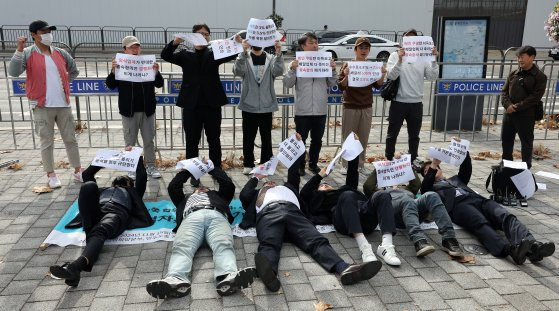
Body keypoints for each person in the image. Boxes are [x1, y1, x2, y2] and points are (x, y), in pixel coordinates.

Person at [239, 147, 382, 292]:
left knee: (316, 241)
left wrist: (297, 146)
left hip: (294, 213)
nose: (270, 182)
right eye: (267, 183)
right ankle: (269, 273)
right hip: (268, 214)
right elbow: (244, 195)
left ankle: (343, 268)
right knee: (269, 243)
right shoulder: (257, 193)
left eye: (272, 182)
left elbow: (293, 174)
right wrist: (257, 177)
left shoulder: (288, 187)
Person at [420, 143, 555, 264]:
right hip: (459, 206)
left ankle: (533, 246)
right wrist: (432, 165)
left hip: (479, 200)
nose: (431, 171)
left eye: (434, 168)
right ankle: (510, 250)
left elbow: (466, 168)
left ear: (441, 169)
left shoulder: (455, 179)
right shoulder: (432, 189)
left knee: (505, 216)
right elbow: (425, 187)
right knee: (480, 223)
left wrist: (461, 149)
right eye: (426, 172)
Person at [146, 164, 256, 298]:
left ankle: (228, 276)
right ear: (193, 192)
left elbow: (227, 184)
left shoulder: (219, 196)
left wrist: (210, 168)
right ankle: (175, 279)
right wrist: (188, 169)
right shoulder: (184, 198)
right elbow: (173, 186)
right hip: (192, 218)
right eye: (198, 188)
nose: (201, 187)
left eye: (206, 187)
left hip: (217, 216)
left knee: (224, 244)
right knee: (182, 247)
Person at [49, 153, 154, 286]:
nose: (121, 178)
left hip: (116, 213)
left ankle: (75, 267)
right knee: (88, 186)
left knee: (100, 230)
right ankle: (85, 253)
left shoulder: (134, 193)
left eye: (126, 179)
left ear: (130, 184)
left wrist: (136, 157)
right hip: (96, 212)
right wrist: (104, 159)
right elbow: (87, 174)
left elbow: (142, 176)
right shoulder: (103, 189)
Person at [161, 24, 241, 185]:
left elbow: (233, 54)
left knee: (214, 139)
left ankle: (216, 172)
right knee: (192, 140)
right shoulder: (184, 54)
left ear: (209, 37)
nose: (203, 36)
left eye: (206, 34)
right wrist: (175, 42)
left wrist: (237, 43)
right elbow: (165, 55)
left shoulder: (215, 53)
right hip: (191, 105)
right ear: (192, 37)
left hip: (212, 104)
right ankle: (193, 173)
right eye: (199, 34)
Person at [8, 20, 82, 188]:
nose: (48, 34)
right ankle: (51, 174)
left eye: (49, 31)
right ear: (34, 35)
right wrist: (19, 50)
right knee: (47, 141)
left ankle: (78, 171)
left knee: (71, 139)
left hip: (63, 104)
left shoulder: (60, 53)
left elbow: (74, 70)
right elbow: (13, 72)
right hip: (42, 106)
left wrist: (64, 83)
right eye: (43, 32)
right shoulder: (27, 53)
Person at [299, 156, 401, 266]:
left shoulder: (344, 189)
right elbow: (304, 194)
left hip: (364, 216)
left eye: (326, 184)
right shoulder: (319, 199)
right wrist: (319, 176)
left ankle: (386, 246)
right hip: (343, 221)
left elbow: (352, 172)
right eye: (321, 186)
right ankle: (364, 248)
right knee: (347, 195)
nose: (324, 185)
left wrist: (354, 151)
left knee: (383, 195)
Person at [363, 153, 463, 258]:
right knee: (407, 200)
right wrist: (380, 168)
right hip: (395, 214)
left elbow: (416, 183)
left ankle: (449, 239)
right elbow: (367, 186)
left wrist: (405, 163)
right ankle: (419, 241)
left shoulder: (407, 188)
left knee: (432, 195)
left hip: (413, 210)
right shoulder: (381, 193)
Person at [106, 36, 164, 180]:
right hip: (128, 111)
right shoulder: (120, 65)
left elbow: (159, 84)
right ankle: (132, 167)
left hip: (147, 110)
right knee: (130, 141)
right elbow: (110, 84)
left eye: (137, 47)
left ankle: (151, 165)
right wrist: (113, 71)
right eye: (132, 47)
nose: (135, 49)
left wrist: (156, 71)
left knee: (149, 140)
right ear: (124, 50)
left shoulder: (147, 63)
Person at [283, 32, 337, 176]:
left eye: (316, 43)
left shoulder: (325, 61)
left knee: (317, 140)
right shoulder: (295, 62)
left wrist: (333, 70)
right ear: (303, 45)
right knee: (301, 140)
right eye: (311, 43)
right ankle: (300, 165)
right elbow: (288, 83)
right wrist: (292, 69)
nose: (315, 45)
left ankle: (313, 164)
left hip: (320, 109)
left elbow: (332, 83)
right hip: (303, 110)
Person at [384, 28, 439, 163]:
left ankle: (412, 159)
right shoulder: (395, 55)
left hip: (416, 103)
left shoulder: (423, 57)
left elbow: (432, 76)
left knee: (414, 136)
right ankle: (389, 159)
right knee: (392, 134)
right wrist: (400, 60)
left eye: (414, 39)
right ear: (403, 41)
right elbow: (391, 75)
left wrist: (433, 59)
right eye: (408, 39)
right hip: (398, 101)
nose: (411, 42)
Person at [233, 39, 284, 175]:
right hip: (249, 105)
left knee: (266, 137)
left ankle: (266, 163)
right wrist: (242, 53)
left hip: (267, 105)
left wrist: (279, 53)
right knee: (248, 137)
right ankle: (248, 163)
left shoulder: (271, 58)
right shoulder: (245, 57)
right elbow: (237, 71)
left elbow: (278, 72)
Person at [337, 37, 386, 175]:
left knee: (363, 137)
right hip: (350, 106)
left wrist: (382, 74)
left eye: (366, 48)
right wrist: (346, 76)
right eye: (361, 48)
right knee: (348, 137)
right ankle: (345, 165)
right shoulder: (348, 65)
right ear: (355, 50)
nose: (364, 51)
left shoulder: (371, 66)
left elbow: (378, 85)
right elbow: (341, 86)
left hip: (366, 106)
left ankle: (360, 164)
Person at [501, 45, 547, 169]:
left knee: (526, 144)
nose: (519, 60)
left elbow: (535, 97)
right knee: (506, 142)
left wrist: (516, 107)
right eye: (518, 57)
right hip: (509, 114)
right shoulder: (513, 73)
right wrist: (508, 105)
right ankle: (506, 166)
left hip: (526, 115)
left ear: (532, 58)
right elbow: (504, 92)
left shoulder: (539, 76)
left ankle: (525, 168)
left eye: (522, 57)